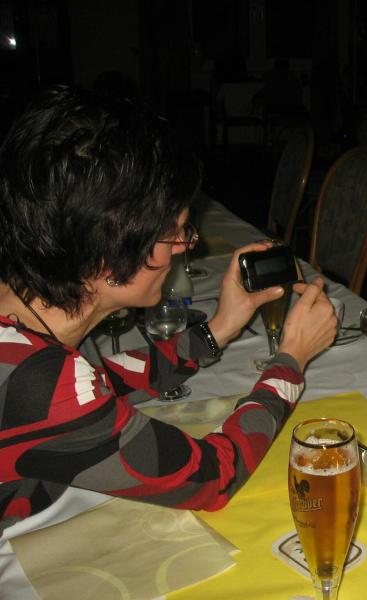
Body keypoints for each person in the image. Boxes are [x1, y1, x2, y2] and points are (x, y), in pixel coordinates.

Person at [0, 86, 338, 534]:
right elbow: (212, 476)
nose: (184, 248)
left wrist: (220, 328)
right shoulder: (40, 381)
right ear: (109, 254)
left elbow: (104, 384)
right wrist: (291, 359)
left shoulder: (25, 323)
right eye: (175, 233)